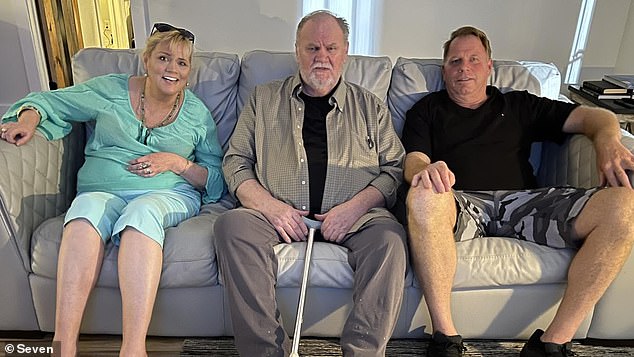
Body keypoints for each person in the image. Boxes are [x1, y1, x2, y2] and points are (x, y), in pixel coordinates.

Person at [402, 25, 634, 357]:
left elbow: (593, 116)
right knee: (422, 196)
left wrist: (608, 140)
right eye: (455, 61)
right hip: (459, 201)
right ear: (444, 70)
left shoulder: (519, 105)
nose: (464, 68)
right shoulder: (426, 110)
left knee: (624, 205)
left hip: (524, 203)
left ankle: (553, 343)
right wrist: (425, 171)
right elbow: (413, 160)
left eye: (473, 59)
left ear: (489, 66)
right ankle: (445, 337)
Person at [1, 23, 226, 356]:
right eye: (164, 58)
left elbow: (216, 177)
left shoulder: (196, 114)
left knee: (141, 214)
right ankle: (63, 346)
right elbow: (52, 103)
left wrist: (176, 163)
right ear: (147, 60)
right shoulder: (110, 90)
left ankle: (133, 349)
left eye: (182, 63)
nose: (172, 69)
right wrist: (27, 121)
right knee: (84, 214)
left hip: (167, 194)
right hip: (101, 189)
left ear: (189, 72)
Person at [215, 10, 407, 357]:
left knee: (390, 242)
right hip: (277, 211)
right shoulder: (263, 99)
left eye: (331, 48)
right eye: (312, 48)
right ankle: (265, 351)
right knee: (232, 226)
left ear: (345, 51)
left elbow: (393, 168)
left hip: (356, 217)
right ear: (297, 51)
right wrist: (271, 208)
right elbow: (235, 162)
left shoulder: (371, 107)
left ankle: (363, 353)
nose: (322, 57)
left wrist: (352, 209)